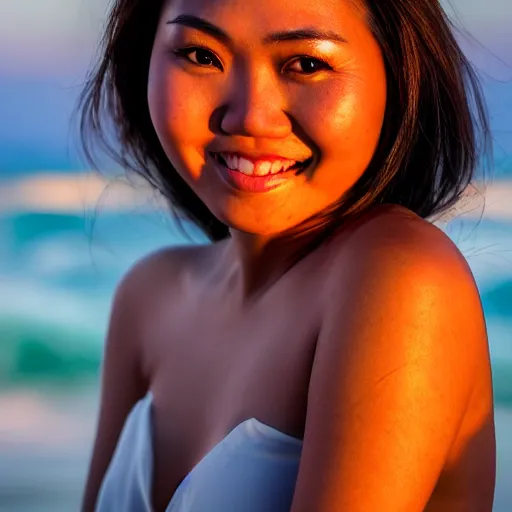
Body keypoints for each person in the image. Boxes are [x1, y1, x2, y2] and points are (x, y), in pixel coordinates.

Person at [79, 0, 497, 510]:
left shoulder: (399, 276)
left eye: (306, 64)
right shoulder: (149, 296)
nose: (249, 116)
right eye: (200, 55)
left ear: (397, 70)